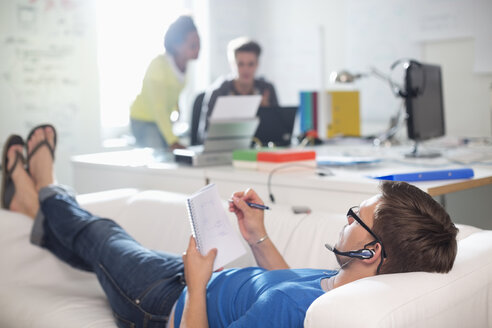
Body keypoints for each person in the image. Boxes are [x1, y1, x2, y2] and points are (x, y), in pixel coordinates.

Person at [2, 125, 458, 328]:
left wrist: (198, 286)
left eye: (357, 215)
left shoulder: (294, 315)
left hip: (163, 305)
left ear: (372, 251)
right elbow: (280, 282)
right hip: (190, 282)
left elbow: (278, 299)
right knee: (98, 246)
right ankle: (29, 204)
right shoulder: (345, 289)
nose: (347, 216)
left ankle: (45, 184)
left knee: (102, 236)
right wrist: (256, 234)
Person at [130, 15, 200, 150]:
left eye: (198, 44)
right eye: (193, 45)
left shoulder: (185, 66)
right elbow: (158, 108)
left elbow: (173, 90)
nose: (197, 49)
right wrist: (173, 140)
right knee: (157, 161)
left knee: (168, 157)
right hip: (144, 120)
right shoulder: (158, 66)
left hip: (162, 120)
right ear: (176, 45)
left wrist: (177, 108)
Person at [198, 38, 278, 142]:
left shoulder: (267, 89)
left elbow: (277, 131)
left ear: (257, 64)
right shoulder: (218, 92)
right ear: (232, 64)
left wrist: (265, 112)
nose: (246, 70)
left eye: (250, 64)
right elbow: (204, 135)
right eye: (240, 64)